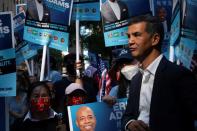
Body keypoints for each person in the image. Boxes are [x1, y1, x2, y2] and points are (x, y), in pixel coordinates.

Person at [121, 14, 197, 131]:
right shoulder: (136, 80)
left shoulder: (178, 75)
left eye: (137, 35)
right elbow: (127, 116)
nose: (130, 41)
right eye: (129, 36)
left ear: (155, 39)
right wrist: (130, 123)